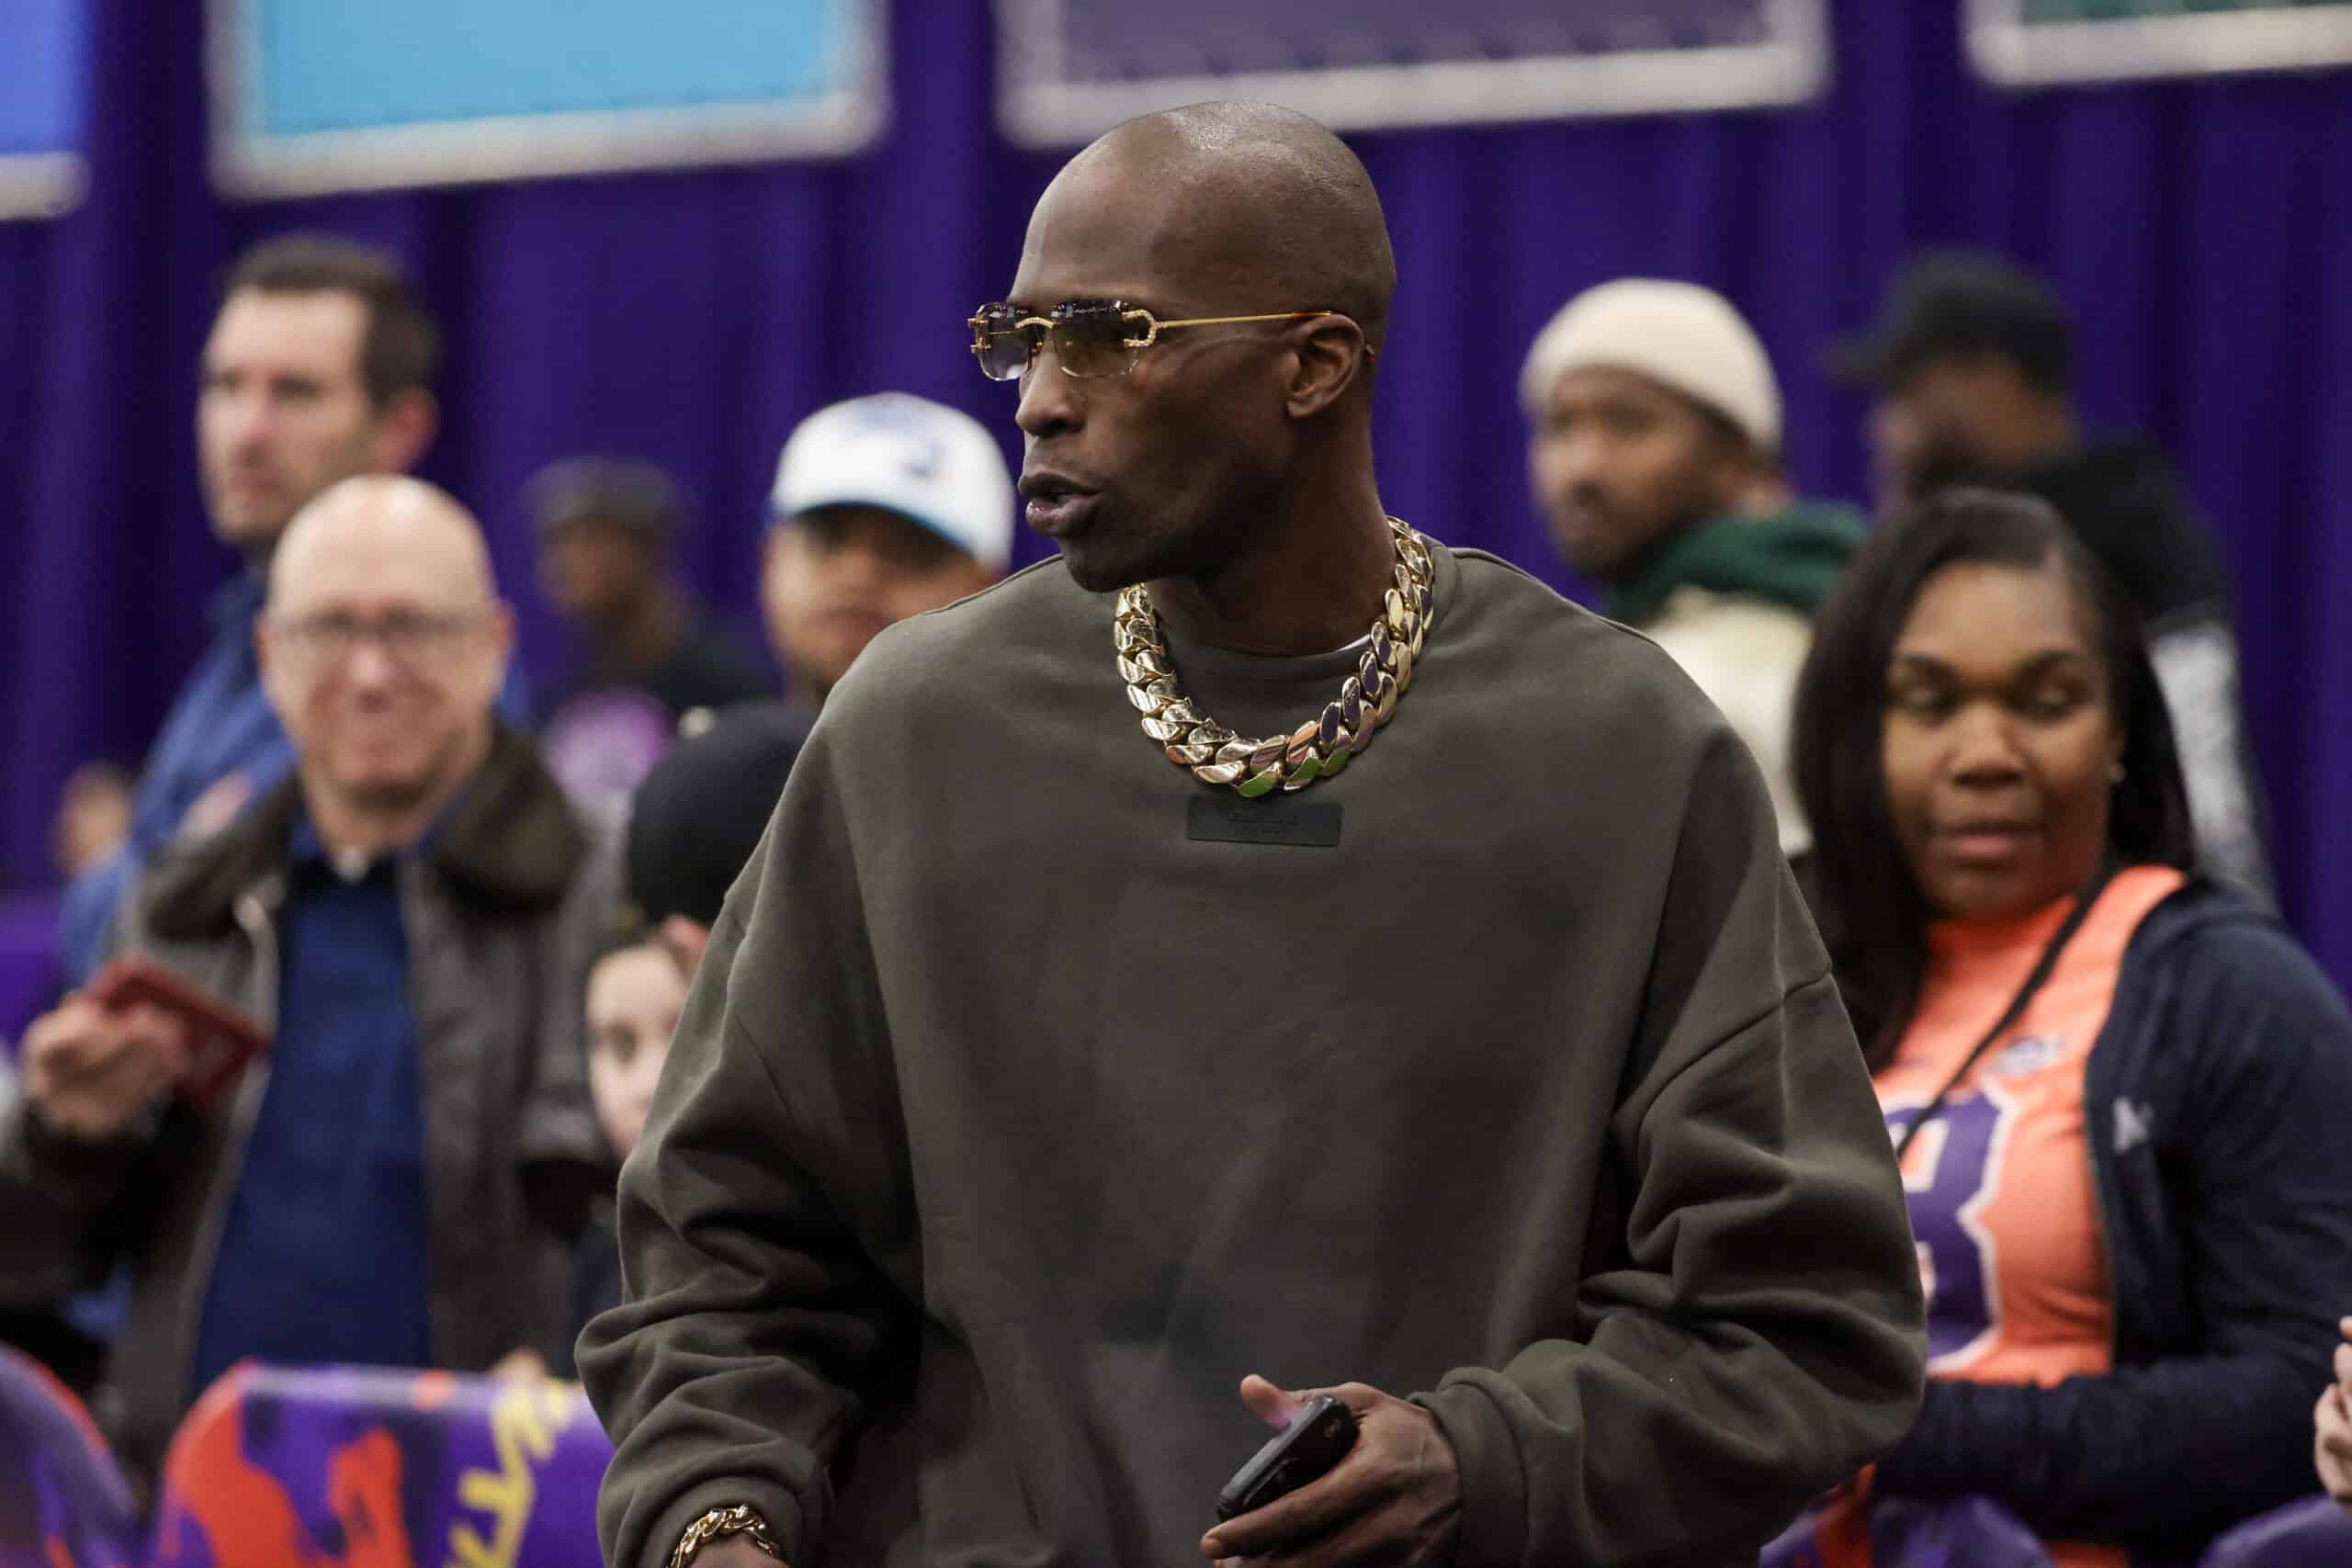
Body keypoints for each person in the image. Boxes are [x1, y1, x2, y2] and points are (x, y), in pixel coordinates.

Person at [580, 101, 1925, 1568]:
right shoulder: (916, 727)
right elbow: (723, 1250)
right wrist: (715, 1523)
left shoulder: (1617, 749)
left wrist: (1484, 1459)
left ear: (1315, 362)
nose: (1038, 396)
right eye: (1022, 338)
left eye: (1110, 335)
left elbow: (1804, 1321)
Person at [0, 477, 614, 1487]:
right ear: (270, 658)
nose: (370, 672)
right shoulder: (181, 904)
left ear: (495, 644)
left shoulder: (603, 895)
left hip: (485, 1512)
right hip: (195, 1510)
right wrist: (68, 1135)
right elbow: (54, 1264)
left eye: (414, 627)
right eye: (330, 629)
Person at [1788, 489, 2352, 1561]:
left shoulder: (2232, 993)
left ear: (2121, 737)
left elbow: (2299, 1401)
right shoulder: (1772, 970)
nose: (1987, 752)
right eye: (1929, 701)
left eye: (2045, 702)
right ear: (1859, 731)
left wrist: (1898, 1434)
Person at [56, 232, 520, 985]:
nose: (247, 432)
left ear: (400, 428)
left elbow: (169, 929)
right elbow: (102, 928)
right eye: (226, 386)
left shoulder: (442, 672)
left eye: (295, 392)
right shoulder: (244, 632)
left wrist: (138, 861)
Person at [1828, 250, 2273, 902]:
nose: (1883, 427)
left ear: (1991, 381)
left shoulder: (2135, 555)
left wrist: (2206, 961)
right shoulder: (1941, 552)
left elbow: (2209, 803)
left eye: (1907, 391)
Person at [1522, 277, 1863, 860]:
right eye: (1561, 426)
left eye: (1627, 424)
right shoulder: (1638, 636)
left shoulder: (1740, 666)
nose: (1581, 467)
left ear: (1736, 458)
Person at [528, 457, 774, 821]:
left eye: (590, 539)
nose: (564, 561)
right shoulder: (564, 689)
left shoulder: (731, 685)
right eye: (555, 542)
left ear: (647, 550)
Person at [760, 391, 1012, 709]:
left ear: (990, 590)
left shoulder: (1047, 757)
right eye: (828, 538)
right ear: (770, 560)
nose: (857, 575)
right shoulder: (696, 749)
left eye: (910, 549)